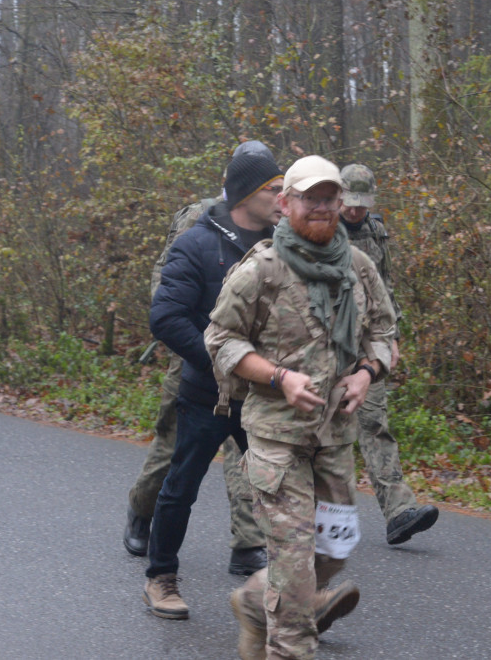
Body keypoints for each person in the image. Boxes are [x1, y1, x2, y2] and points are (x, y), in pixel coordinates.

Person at [206, 155, 397, 659]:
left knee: (335, 547)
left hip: (334, 437)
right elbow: (220, 339)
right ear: (284, 204)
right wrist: (279, 377)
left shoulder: (357, 267)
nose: (321, 207)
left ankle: (252, 600)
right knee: (294, 577)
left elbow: (384, 333)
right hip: (276, 439)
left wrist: (365, 373)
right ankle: (286, 638)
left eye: (329, 198)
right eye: (309, 198)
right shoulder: (262, 270)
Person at [141, 152, 284, 620]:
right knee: (181, 487)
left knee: (285, 492)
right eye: (272, 189)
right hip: (208, 393)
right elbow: (165, 317)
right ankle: (160, 578)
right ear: (246, 193)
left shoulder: (283, 244)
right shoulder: (197, 243)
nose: (281, 198)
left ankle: (291, 592)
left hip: (264, 397)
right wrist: (224, 362)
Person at [338, 163, 439, 544]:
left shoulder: (376, 231)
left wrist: (390, 336)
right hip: (322, 346)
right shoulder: (316, 228)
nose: (354, 211)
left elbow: (386, 288)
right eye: (349, 202)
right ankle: (306, 517)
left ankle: (399, 511)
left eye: (362, 204)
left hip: (366, 347)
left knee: (375, 423)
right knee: (321, 437)